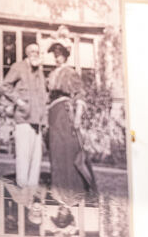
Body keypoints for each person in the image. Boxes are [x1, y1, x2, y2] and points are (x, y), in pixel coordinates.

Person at [46, 42, 94, 193]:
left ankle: (74, 186)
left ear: (65, 56)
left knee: (67, 149)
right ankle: (58, 187)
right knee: (55, 150)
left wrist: (78, 116)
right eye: (55, 55)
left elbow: (79, 93)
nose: (57, 58)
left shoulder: (70, 72)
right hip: (53, 113)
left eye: (59, 55)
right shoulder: (52, 74)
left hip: (64, 112)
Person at [0, 42, 47, 187]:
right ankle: (21, 188)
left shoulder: (39, 71)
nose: (35, 54)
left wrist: (44, 119)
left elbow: (43, 95)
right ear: (27, 53)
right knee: (23, 156)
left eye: (37, 52)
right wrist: (18, 101)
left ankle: (31, 190)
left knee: (36, 159)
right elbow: (4, 85)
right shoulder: (18, 67)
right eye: (32, 51)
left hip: (37, 120)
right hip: (23, 118)